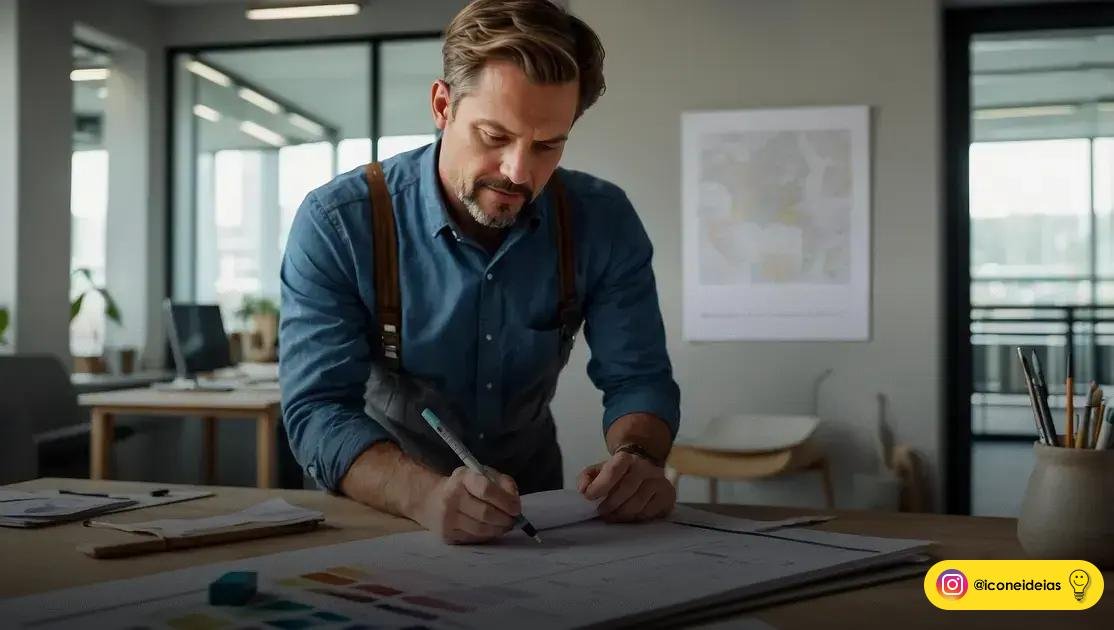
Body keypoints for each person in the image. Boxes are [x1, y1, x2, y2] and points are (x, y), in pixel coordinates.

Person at [279, 0, 680, 544]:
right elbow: (318, 409)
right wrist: (423, 496)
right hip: (382, 514)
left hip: (536, 520)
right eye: (494, 136)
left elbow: (638, 378)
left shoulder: (602, 221)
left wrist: (639, 456)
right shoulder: (340, 223)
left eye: (547, 145)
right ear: (443, 105)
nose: (518, 172)